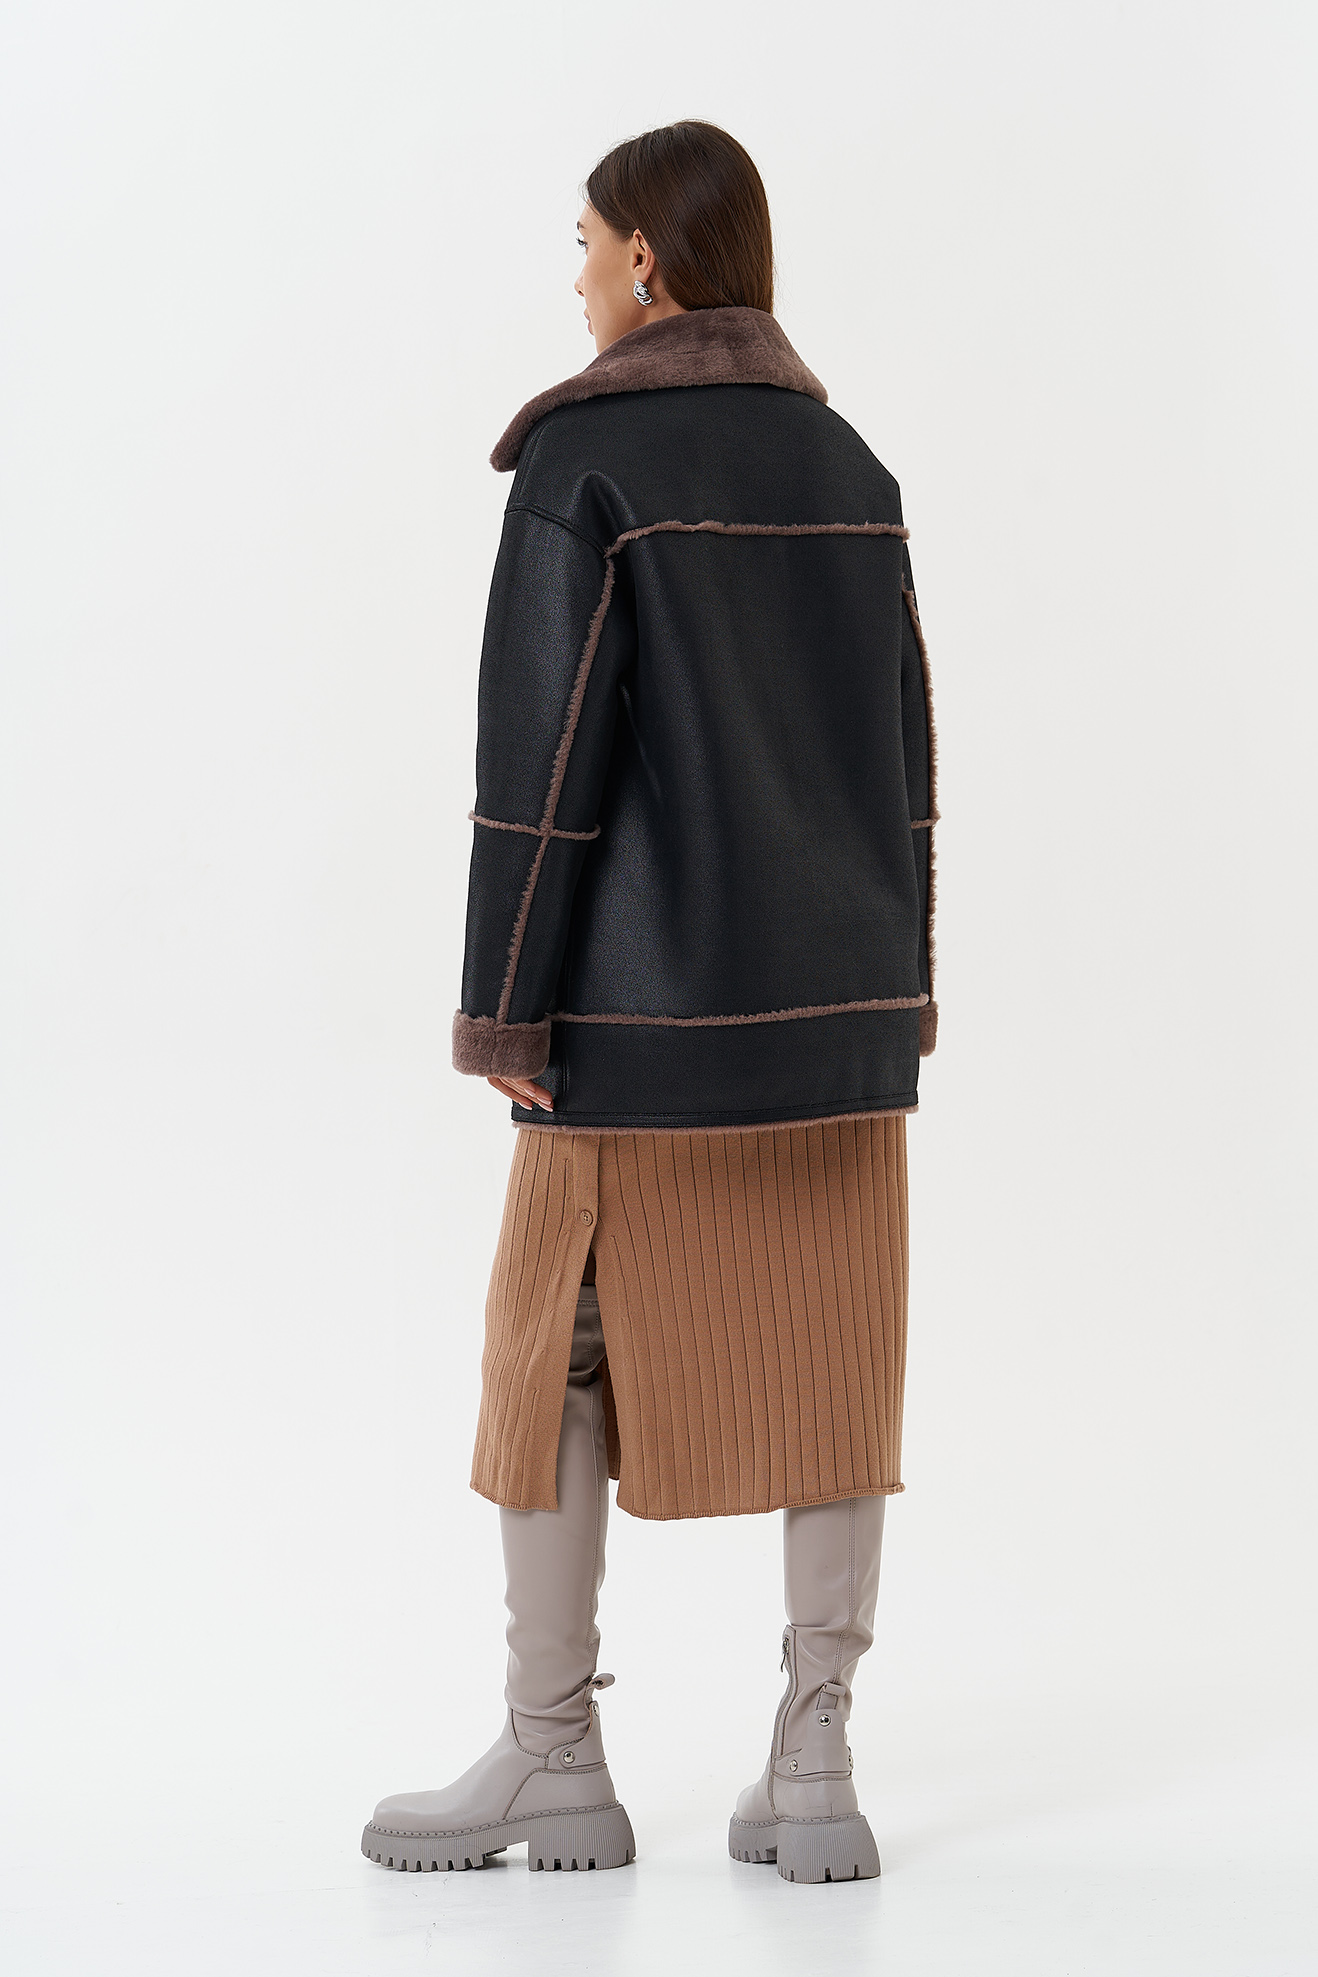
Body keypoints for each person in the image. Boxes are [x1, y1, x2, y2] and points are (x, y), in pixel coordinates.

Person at [361, 119, 939, 1887]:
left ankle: (552, 1756)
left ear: (646, 260)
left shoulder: (584, 459)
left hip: (633, 1034)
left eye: (585, 242)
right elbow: (904, 764)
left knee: (552, 1353)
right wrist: (897, 993)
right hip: (836, 1018)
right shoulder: (849, 464)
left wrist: (505, 1011)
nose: (576, 277)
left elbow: (537, 770)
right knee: (834, 1361)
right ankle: (815, 1757)